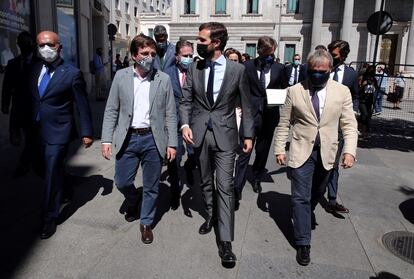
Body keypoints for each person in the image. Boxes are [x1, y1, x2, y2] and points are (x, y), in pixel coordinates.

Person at [274, 49, 358, 266]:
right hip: (302, 150)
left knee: (317, 191)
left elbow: (349, 124)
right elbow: (284, 123)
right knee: (300, 197)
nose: (317, 74)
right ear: (307, 69)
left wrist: (349, 151)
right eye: (313, 71)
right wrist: (280, 149)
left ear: (330, 70)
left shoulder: (342, 92)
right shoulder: (295, 90)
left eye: (322, 71)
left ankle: (305, 213)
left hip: (328, 151)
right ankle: (303, 243)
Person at [179, 22, 254, 264]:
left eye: (202, 40)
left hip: (226, 135)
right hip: (199, 134)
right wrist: (185, 125)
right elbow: (186, 100)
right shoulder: (195, 69)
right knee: (204, 181)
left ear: (216, 43)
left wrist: (249, 135)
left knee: (225, 186)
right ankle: (210, 214)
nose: (198, 44)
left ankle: (226, 242)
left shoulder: (237, 70)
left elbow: (247, 105)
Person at [101, 34, 177, 244]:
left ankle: (146, 222)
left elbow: (171, 113)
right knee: (122, 181)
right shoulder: (121, 77)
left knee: (152, 185)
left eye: (153, 53)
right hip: (128, 138)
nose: (150, 57)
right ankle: (133, 199)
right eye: (145, 53)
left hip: (153, 139)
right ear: (135, 55)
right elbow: (111, 110)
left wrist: (172, 143)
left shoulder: (163, 79)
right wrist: (106, 139)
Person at [30, 31, 94, 239]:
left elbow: (82, 105)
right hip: (35, 130)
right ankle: (65, 183)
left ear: (59, 47)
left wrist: (86, 132)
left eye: (49, 44)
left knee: (50, 174)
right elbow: (27, 100)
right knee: (40, 168)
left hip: (59, 131)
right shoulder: (34, 68)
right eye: (41, 45)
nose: (45, 49)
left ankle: (49, 218)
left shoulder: (72, 73)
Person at [234, 36, 285, 204]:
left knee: (262, 152)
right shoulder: (246, 67)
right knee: (244, 151)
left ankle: (256, 177)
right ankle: (237, 186)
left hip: (270, 116)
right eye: (268, 53)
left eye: (273, 53)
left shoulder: (279, 68)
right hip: (250, 116)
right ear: (260, 51)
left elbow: (282, 89)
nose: (270, 56)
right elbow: (240, 89)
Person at [325, 39, 359, 214]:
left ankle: (332, 199)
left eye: (335, 55)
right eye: (330, 53)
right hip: (320, 124)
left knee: (334, 163)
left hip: (338, 126)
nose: (331, 57)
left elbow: (355, 96)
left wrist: (355, 111)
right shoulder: (322, 69)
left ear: (343, 56)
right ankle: (316, 192)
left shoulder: (351, 74)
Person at [163, 40, 194, 210]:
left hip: (192, 122)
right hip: (172, 121)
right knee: (173, 159)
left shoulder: (198, 72)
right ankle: (175, 192)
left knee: (193, 155)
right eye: (185, 56)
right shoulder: (166, 74)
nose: (188, 59)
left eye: (191, 56)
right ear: (177, 56)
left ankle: (190, 167)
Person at [1, 31, 35, 177]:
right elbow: (6, 86)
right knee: (16, 138)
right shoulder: (12, 64)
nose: (23, 46)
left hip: (34, 108)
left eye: (26, 43)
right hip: (18, 107)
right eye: (21, 43)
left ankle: (25, 163)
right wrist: (4, 104)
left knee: (31, 137)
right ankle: (28, 159)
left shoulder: (39, 63)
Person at [358, 65, 378, 139]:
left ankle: (365, 131)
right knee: (364, 115)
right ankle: (361, 128)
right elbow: (358, 89)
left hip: (369, 100)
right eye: (370, 70)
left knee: (368, 117)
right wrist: (363, 85)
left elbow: (377, 88)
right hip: (362, 100)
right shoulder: (362, 78)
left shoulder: (374, 80)